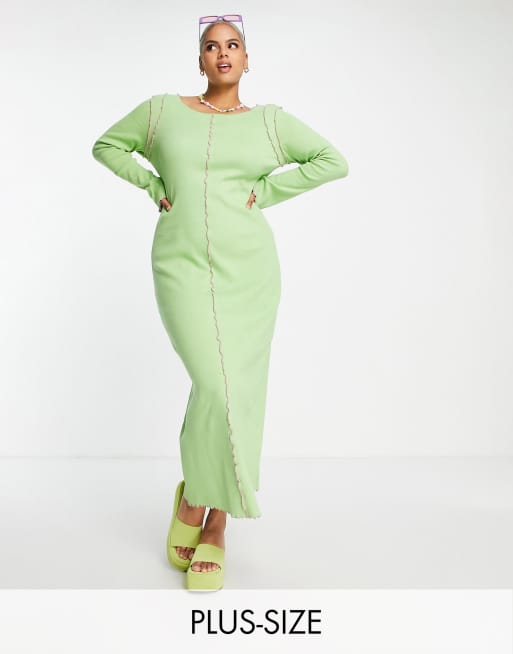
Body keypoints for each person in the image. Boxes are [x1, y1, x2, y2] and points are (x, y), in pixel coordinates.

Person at [91, 14, 349, 591]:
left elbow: (332, 160)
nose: (223, 54)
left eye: (234, 45)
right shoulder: (162, 112)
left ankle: (215, 520)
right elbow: (106, 145)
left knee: (238, 391)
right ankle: (194, 495)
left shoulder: (269, 122)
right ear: (200, 59)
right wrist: (153, 185)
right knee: (213, 383)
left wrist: (268, 190)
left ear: (247, 60)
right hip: (181, 265)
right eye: (212, 46)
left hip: (249, 272)